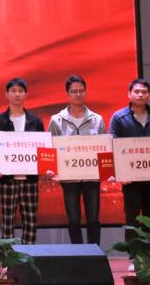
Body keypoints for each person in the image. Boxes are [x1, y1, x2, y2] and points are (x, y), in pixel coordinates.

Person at [109, 78, 150, 240]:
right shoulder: (119, 117)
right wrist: (119, 173)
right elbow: (112, 146)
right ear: (129, 94)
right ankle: (133, 253)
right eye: (136, 91)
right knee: (132, 219)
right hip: (130, 180)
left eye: (144, 92)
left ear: (149, 96)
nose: (140, 95)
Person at [47, 75, 106, 245]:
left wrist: (106, 170)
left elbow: (105, 148)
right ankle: (78, 252)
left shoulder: (97, 119)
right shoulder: (56, 120)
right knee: (73, 218)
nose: (78, 94)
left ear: (85, 92)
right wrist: (51, 169)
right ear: (67, 94)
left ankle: (95, 252)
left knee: (93, 217)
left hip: (92, 176)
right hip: (68, 176)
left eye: (81, 91)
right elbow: (49, 147)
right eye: (74, 91)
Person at [0, 78, 45, 245]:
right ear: (6, 94)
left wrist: (45, 166)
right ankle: (8, 256)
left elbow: (43, 150)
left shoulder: (36, 121)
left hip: (29, 179)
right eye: (13, 91)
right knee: (7, 221)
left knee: (31, 221)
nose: (17, 94)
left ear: (25, 94)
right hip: (6, 179)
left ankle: (29, 255)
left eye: (20, 91)